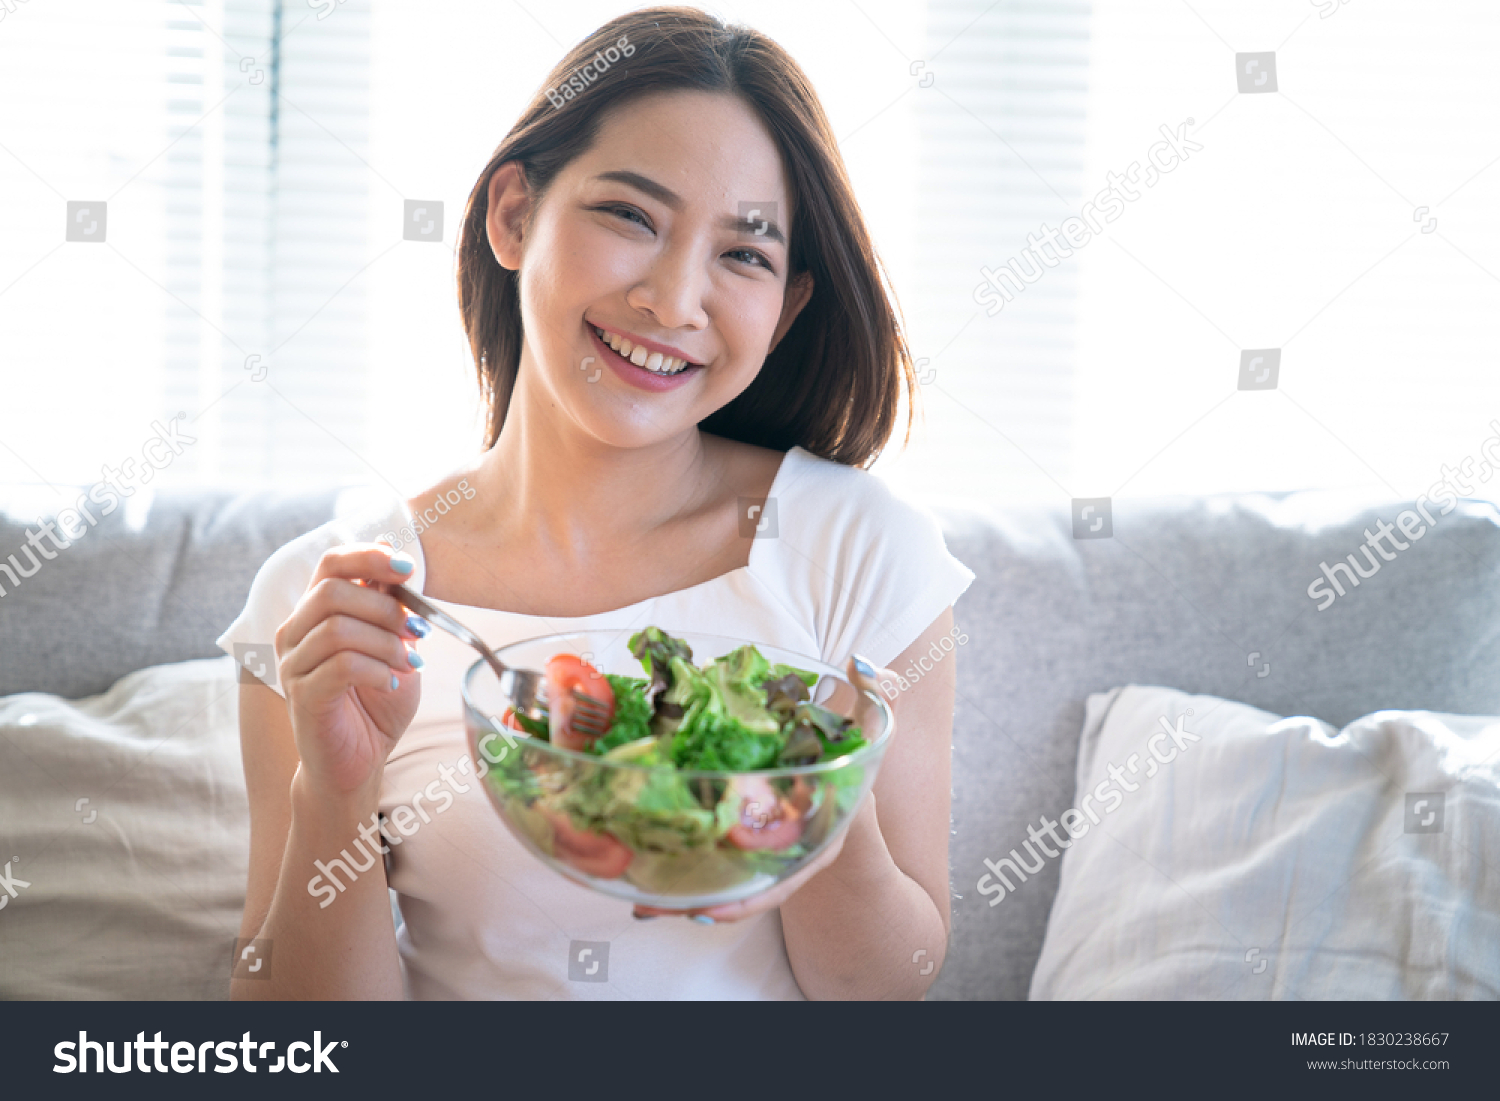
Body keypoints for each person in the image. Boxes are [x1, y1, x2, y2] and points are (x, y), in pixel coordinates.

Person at [218, 5, 973, 1000]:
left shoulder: (862, 553)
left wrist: (819, 808)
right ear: (513, 216)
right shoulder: (334, 603)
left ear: (786, 307)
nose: (673, 299)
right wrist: (338, 789)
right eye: (631, 217)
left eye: (744, 254)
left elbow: (893, 985)